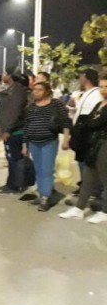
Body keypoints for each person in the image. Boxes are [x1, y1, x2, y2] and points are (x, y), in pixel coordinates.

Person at [59, 73, 107, 223]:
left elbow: (93, 123)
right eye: (101, 86)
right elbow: (89, 120)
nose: (103, 90)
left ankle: (105, 212)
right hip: (94, 144)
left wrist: (91, 120)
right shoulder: (101, 104)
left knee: (105, 179)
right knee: (87, 177)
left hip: (105, 144)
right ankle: (79, 208)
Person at [22, 81, 71, 211]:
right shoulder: (31, 107)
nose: (35, 92)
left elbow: (66, 121)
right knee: (38, 169)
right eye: (34, 90)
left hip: (49, 142)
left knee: (47, 170)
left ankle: (45, 198)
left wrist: (66, 139)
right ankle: (41, 192)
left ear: (47, 91)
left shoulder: (56, 104)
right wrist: (24, 144)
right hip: (33, 143)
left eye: (39, 90)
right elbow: (26, 127)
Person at [69, 69, 101, 200]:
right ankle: (85, 187)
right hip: (80, 133)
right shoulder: (85, 93)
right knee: (81, 162)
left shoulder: (96, 94)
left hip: (87, 135)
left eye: (81, 76)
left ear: (86, 77)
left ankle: (93, 190)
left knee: (88, 164)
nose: (79, 79)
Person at [0, 71, 29, 194]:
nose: (3, 76)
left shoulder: (17, 91)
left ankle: (14, 185)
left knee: (14, 159)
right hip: (10, 130)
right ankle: (12, 183)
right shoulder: (12, 89)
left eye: (5, 74)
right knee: (12, 159)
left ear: (10, 76)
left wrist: (7, 130)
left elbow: (14, 112)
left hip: (15, 132)